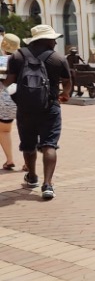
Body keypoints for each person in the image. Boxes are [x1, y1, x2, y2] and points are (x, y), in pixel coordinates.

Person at [5, 24, 71, 200]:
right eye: (53, 39)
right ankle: (48, 184)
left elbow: (9, 83)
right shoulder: (58, 59)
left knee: (28, 144)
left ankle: (32, 176)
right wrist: (64, 95)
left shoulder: (17, 56)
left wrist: (19, 99)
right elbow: (67, 82)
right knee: (49, 145)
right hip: (50, 107)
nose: (56, 42)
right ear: (47, 40)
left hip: (25, 109)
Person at [0, 33, 20, 171]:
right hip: (25, 98)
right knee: (27, 131)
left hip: (4, 100)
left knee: (4, 131)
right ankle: (27, 162)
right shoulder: (24, 60)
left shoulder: (1, 61)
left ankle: (10, 160)